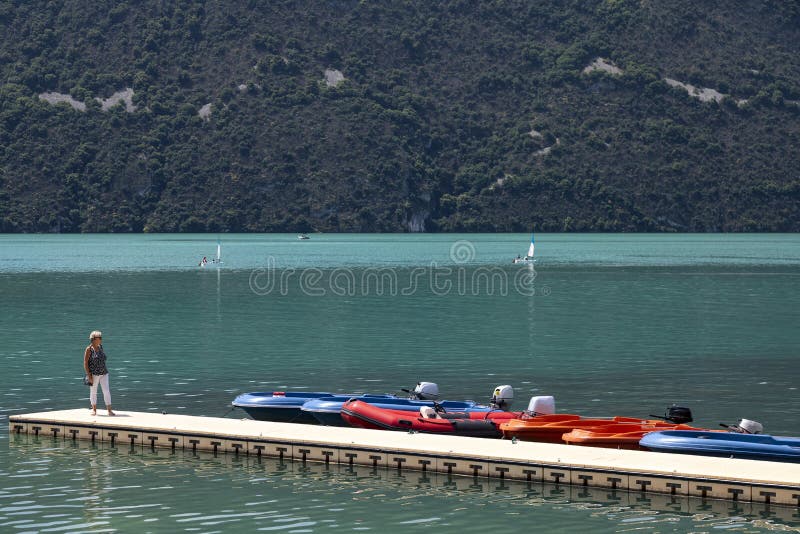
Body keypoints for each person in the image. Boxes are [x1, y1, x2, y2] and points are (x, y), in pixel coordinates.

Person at [84, 330, 114, 416]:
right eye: (99, 338)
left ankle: (109, 410)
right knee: (93, 391)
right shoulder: (89, 349)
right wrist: (89, 376)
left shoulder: (101, 347)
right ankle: (94, 410)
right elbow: (85, 363)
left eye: (101, 338)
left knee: (106, 391)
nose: (101, 339)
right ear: (93, 339)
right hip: (94, 374)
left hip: (104, 373)